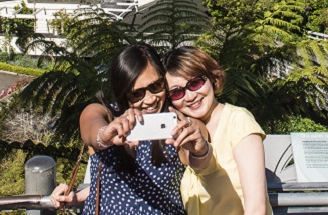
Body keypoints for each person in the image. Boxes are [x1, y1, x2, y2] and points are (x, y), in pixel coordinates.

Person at [51, 43, 212, 214]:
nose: (150, 99)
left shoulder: (176, 125)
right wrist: (105, 137)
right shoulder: (107, 117)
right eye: (137, 94)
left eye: (156, 86)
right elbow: (91, 127)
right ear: (123, 93)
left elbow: (201, 162)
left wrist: (199, 149)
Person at [162, 47, 273, 215]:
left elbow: (256, 207)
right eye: (177, 92)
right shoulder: (184, 133)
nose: (190, 96)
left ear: (212, 78)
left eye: (195, 83)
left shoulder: (238, 121)